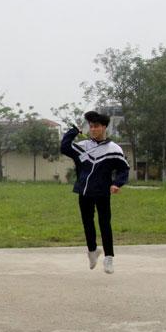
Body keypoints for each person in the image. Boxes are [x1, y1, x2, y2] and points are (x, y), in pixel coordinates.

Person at [60, 111, 130, 274]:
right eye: (90, 126)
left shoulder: (114, 149)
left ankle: (109, 258)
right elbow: (64, 147)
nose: (93, 129)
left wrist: (117, 184)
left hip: (102, 192)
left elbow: (123, 169)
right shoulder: (83, 146)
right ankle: (92, 251)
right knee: (87, 222)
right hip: (84, 191)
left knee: (105, 224)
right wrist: (74, 131)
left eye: (96, 126)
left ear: (104, 127)